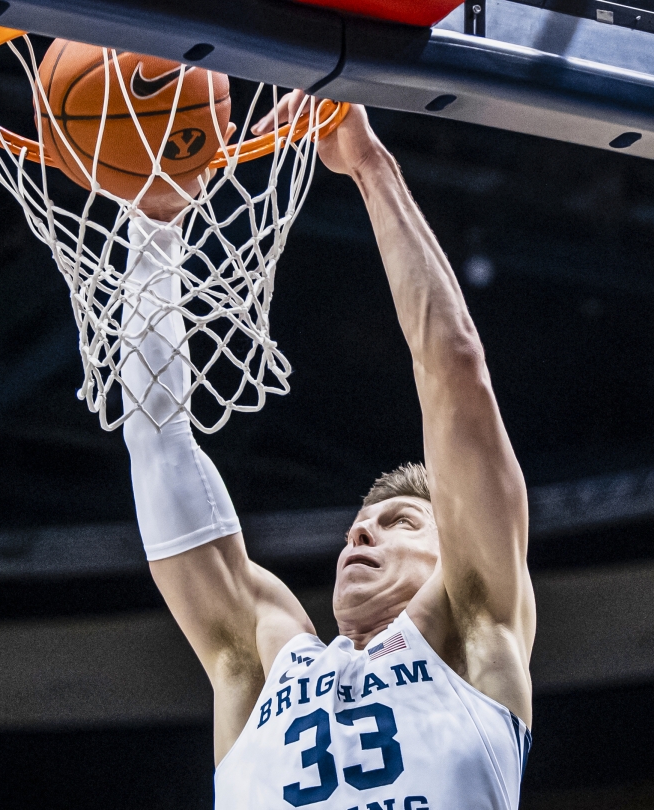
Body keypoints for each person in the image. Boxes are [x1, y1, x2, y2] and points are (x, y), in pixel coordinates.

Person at [120, 93, 534, 810]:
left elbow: (456, 369)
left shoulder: (475, 635)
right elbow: (157, 443)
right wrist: (154, 229)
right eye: (360, 526)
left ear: (456, 550)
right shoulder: (262, 658)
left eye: (401, 521)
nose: (360, 531)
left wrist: (370, 167)